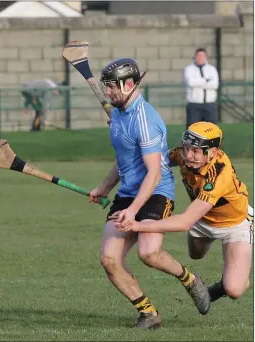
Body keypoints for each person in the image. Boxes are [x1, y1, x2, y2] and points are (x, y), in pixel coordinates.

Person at [89, 58, 210, 330]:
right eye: (105, 87)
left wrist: (133, 212)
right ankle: (148, 313)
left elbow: (153, 173)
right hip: (128, 193)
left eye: (111, 87)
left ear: (129, 84)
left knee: (149, 253)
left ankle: (190, 279)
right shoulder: (118, 114)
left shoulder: (146, 121)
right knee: (109, 259)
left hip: (156, 192)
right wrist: (105, 187)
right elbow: (124, 159)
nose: (108, 92)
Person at [114, 122, 253, 305]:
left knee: (234, 289)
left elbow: (185, 222)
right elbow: (154, 160)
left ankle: (226, 284)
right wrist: (128, 138)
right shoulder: (183, 155)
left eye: (196, 151)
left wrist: (137, 225)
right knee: (195, 255)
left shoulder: (219, 177)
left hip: (235, 224)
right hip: (202, 220)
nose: (188, 155)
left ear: (212, 152)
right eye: (187, 148)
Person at [183, 48, 219, 129]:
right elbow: (190, 83)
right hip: (194, 105)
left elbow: (214, 85)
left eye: (202, 55)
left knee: (212, 129)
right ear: (195, 57)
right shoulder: (188, 69)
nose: (200, 57)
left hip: (210, 105)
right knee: (192, 130)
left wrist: (198, 82)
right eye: (198, 55)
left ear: (206, 57)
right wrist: (206, 80)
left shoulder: (212, 69)